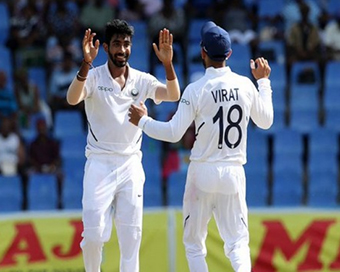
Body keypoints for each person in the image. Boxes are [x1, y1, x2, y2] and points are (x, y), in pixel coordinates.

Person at [128, 21, 273, 272]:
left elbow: (173, 134)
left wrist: (143, 121)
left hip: (202, 172)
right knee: (237, 243)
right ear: (229, 54)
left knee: (195, 245)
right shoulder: (245, 85)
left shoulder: (196, 89)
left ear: (202, 52)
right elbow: (266, 121)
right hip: (233, 171)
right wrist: (263, 82)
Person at [66, 19, 180, 272]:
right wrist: (86, 63)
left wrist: (168, 64)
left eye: (126, 44)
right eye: (117, 44)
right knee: (93, 236)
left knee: (131, 239)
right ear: (105, 48)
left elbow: (173, 95)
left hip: (130, 165)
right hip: (99, 164)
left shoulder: (142, 80)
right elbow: (72, 98)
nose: (122, 50)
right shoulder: (94, 77)